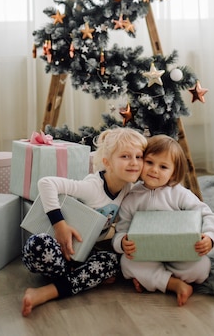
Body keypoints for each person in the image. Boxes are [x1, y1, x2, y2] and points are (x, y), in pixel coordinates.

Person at [21, 127, 147, 316]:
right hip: (57, 251)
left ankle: (51, 290)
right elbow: (46, 183)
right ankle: (76, 276)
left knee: (111, 262)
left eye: (139, 157)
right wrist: (60, 225)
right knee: (38, 244)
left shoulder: (129, 188)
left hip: (85, 253)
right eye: (125, 157)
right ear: (107, 163)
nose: (134, 163)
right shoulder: (92, 187)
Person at [112, 134, 214, 306]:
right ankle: (174, 284)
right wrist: (122, 242)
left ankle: (154, 280)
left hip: (180, 252)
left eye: (163, 167)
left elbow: (208, 215)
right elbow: (121, 229)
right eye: (149, 163)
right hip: (147, 254)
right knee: (127, 263)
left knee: (202, 267)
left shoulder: (179, 193)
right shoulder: (131, 198)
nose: (154, 170)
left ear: (173, 174)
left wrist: (209, 237)